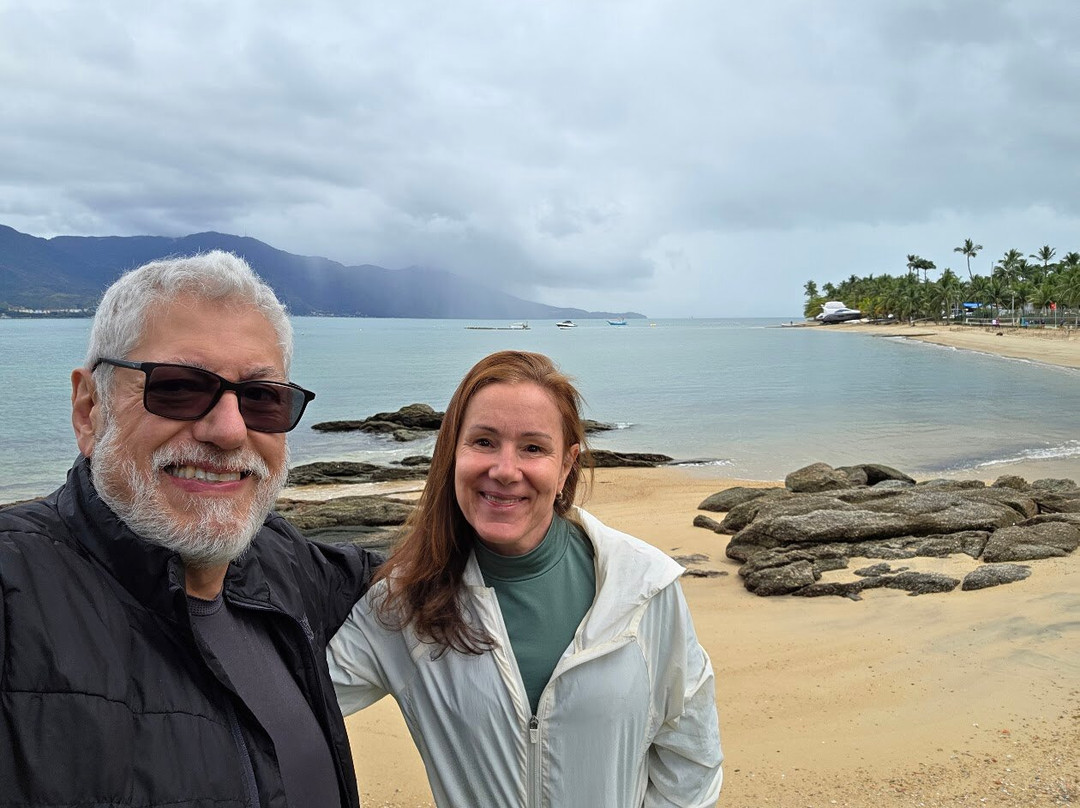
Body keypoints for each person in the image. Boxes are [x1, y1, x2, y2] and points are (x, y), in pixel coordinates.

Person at [0, 252, 380, 807]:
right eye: (177, 388)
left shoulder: (279, 562)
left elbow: (428, 574)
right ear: (89, 409)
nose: (228, 431)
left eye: (260, 398)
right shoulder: (16, 590)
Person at [329, 350, 722, 807]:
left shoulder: (643, 585)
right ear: (453, 451)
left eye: (533, 448)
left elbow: (692, 757)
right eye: (484, 442)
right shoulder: (407, 602)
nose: (504, 470)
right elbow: (290, 706)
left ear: (566, 465)